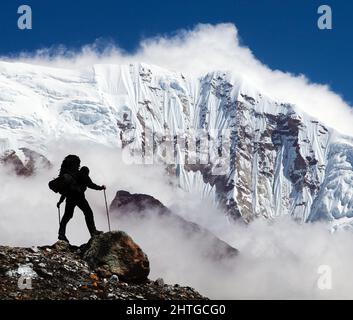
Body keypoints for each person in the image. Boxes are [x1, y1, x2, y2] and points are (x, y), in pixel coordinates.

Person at [57, 156, 106, 242]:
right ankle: (93, 232)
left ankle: (61, 234)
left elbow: (66, 191)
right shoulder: (83, 175)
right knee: (88, 213)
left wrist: (60, 201)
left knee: (67, 216)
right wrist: (101, 188)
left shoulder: (73, 176)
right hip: (79, 198)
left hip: (70, 198)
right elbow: (91, 185)